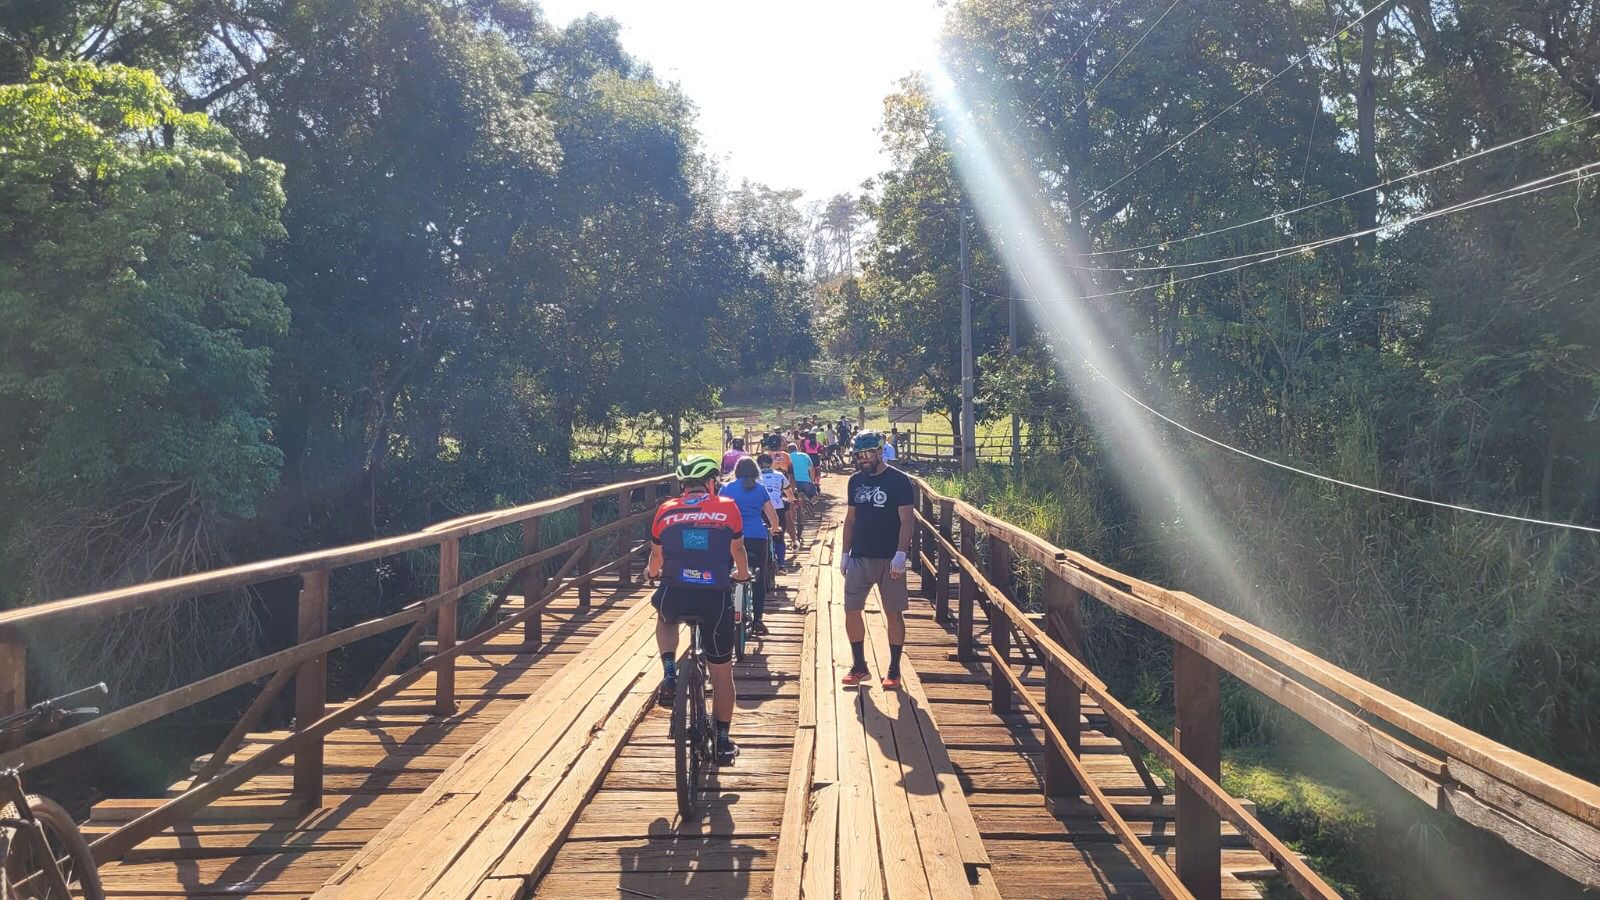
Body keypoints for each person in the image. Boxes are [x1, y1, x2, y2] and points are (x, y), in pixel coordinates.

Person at [648, 454, 750, 764]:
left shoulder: (665, 510)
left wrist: (652, 575)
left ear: (683, 486)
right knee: (721, 672)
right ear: (711, 483)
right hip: (714, 597)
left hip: (676, 592)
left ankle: (669, 672)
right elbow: (738, 549)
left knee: (664, 616)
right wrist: (742, 576)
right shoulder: (727, 507)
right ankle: (722, 739)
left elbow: (656, 557)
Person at [839, 431, 914, 690]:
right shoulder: (854, 481)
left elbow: (907, 520)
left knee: (893, 613)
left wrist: (901, 554)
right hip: (860, 556)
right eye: (860, 455)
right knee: (851, 609)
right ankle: (859, 666)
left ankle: (894, 669)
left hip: (889, 557)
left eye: (869, 454)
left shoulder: (899, 481)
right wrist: (844, 553)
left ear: (880, 452)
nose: (864, 459)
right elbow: (851, 519)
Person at [719, 457, 780, 636]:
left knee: (726, 572)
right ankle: (758, 620)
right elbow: (772, 515)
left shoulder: (727, 488)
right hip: (756, 537)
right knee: (758, 579)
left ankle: (725, 611)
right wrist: (775, 529)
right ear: (755, 472)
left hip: (730, 536)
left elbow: (719, 511)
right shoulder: (760, 489)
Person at [756, 452, 794, 569]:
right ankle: (782, 564)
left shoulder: (755, 478)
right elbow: (789, 493)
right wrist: (790, 499)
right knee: (779, 535)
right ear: (771, 463)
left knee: (761, 536)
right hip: (778, 508)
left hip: (761, 510)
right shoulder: (779, 475)